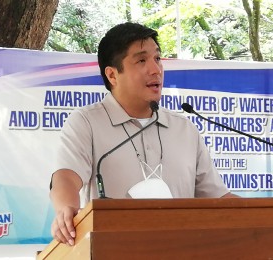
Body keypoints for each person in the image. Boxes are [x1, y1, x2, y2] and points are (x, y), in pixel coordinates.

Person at [49, 22, 238, 246]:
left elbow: (218, 198)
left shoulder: (183, 129)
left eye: (157, 59)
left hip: (183, 250)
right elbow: (66, 178)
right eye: (141, 60)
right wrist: (65, 210)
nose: (155, 69)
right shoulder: (87, 122)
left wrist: (265, 216)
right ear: (112, 75)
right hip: (115, 250)